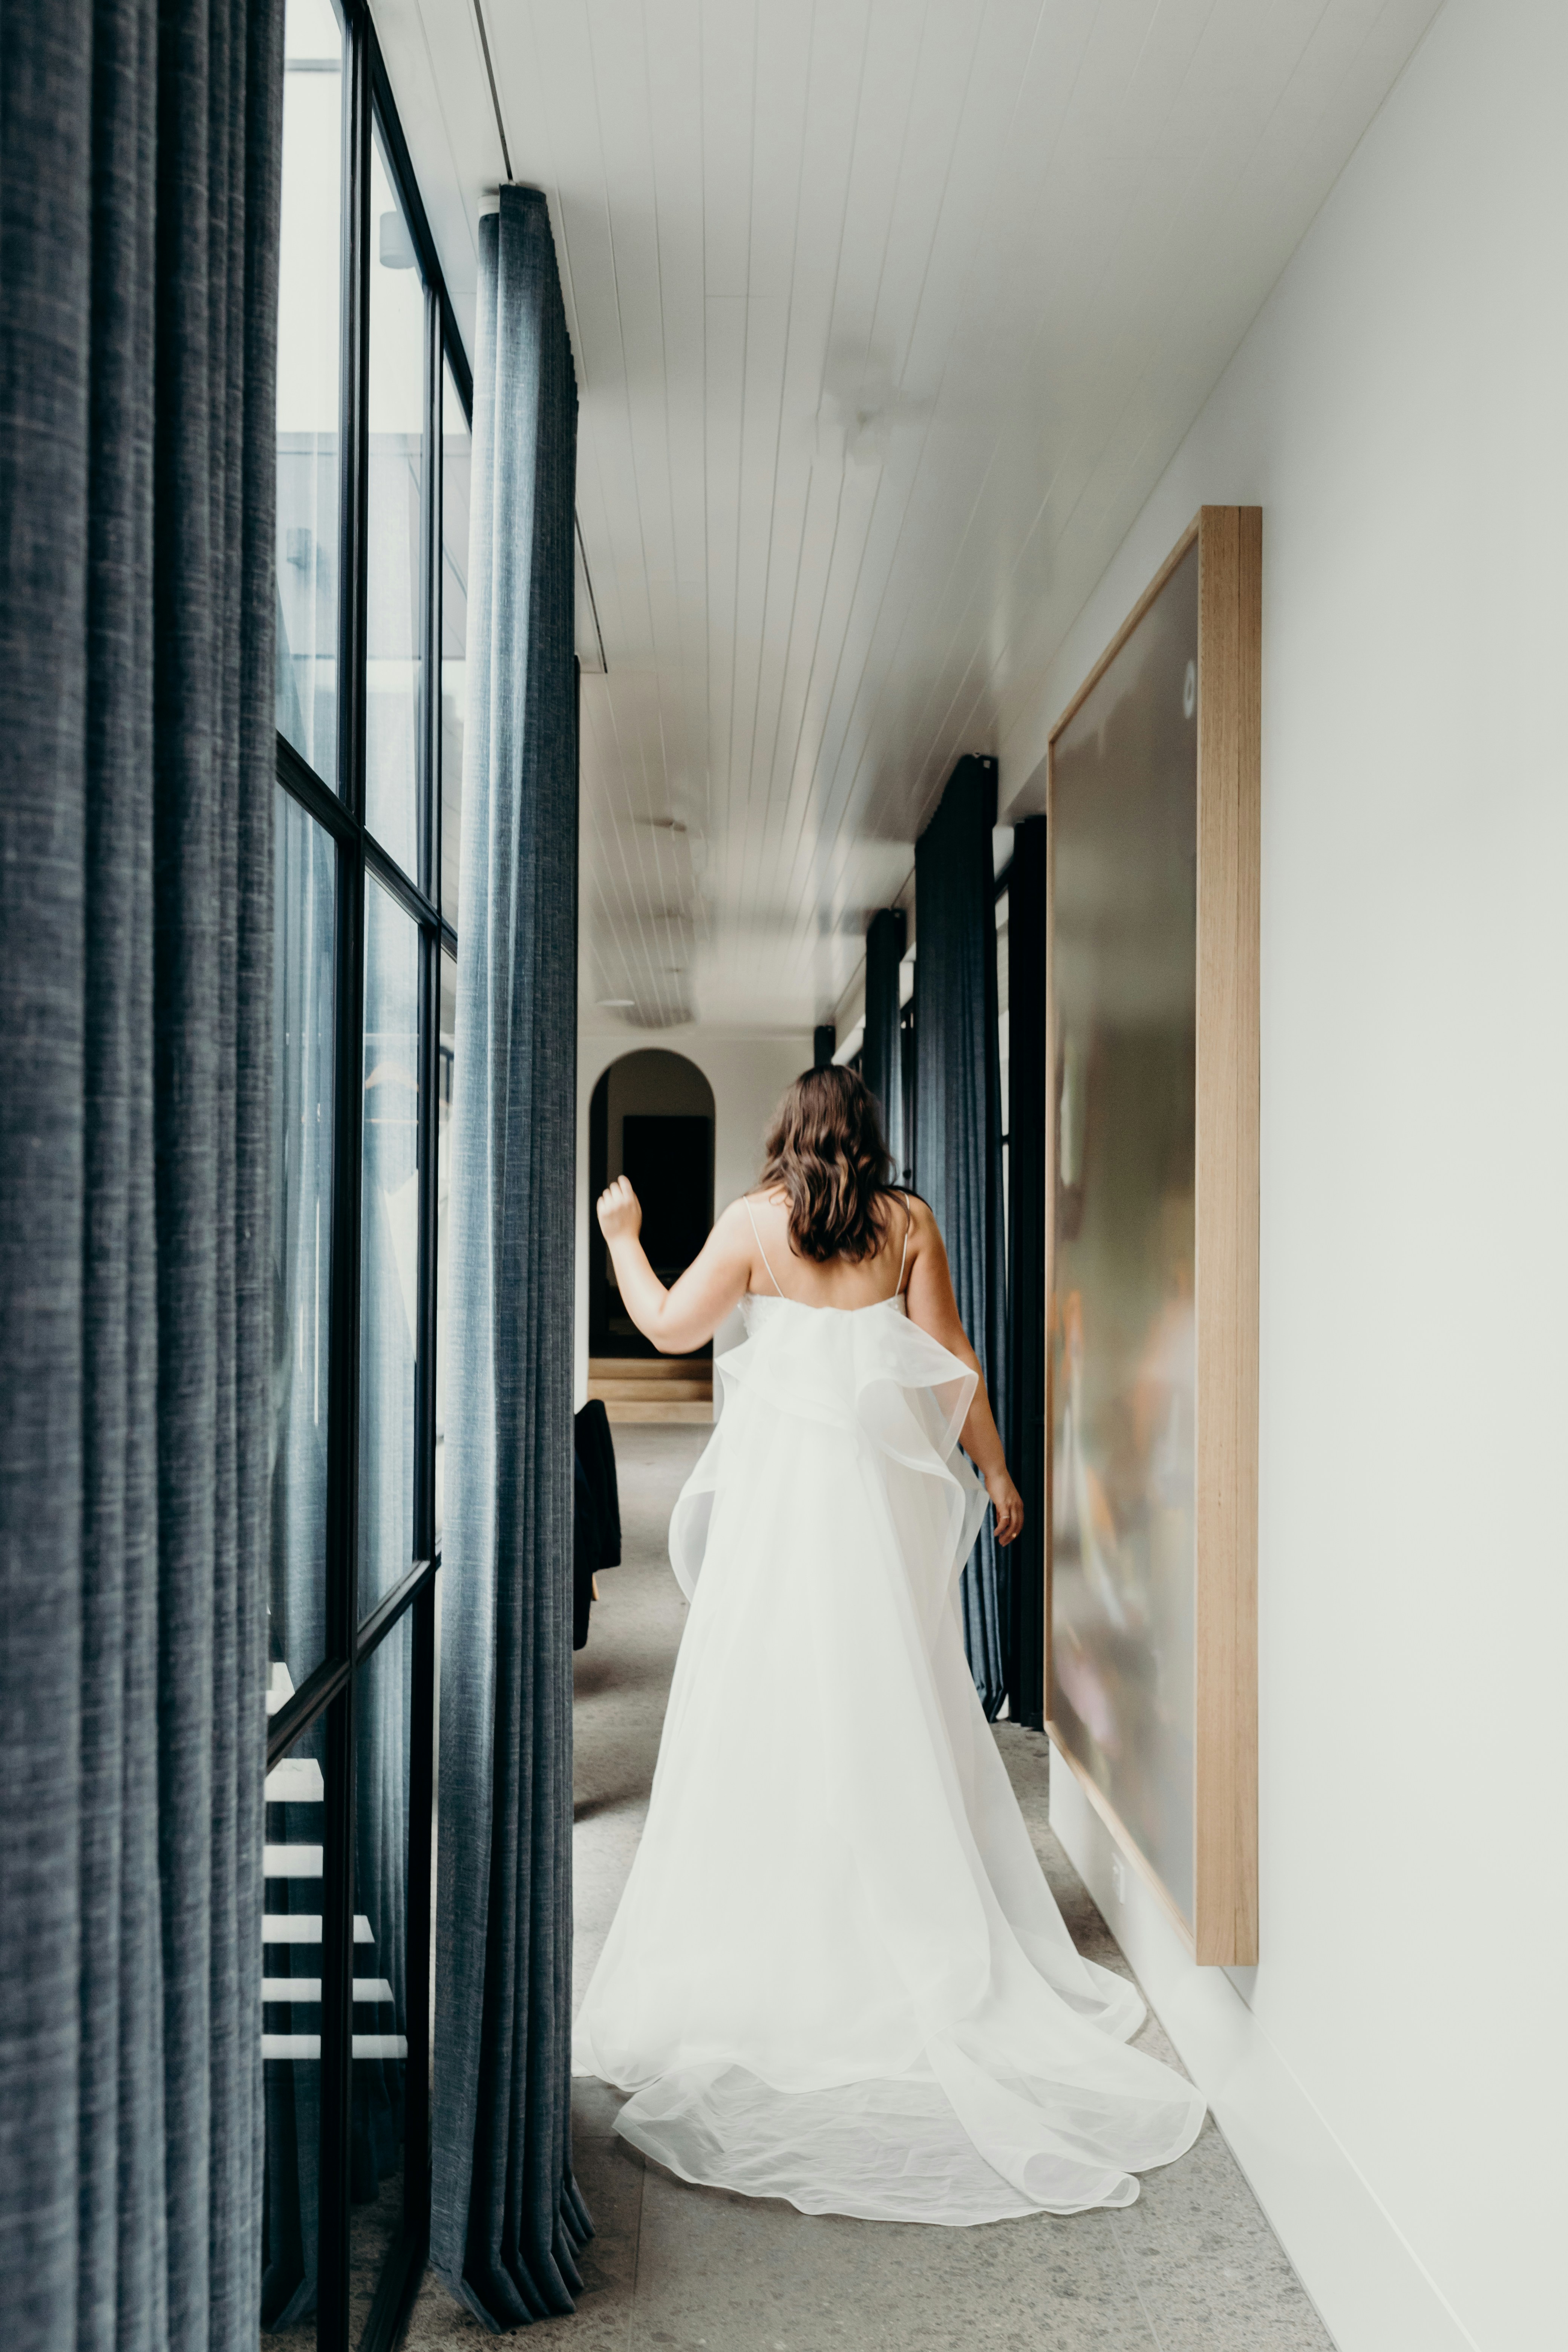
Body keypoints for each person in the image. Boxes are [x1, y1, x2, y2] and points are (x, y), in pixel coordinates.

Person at [573, 1065, 1204, 2223]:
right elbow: (951, 1363)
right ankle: (902, 1918)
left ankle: (785, 1924)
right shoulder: (907, 1220)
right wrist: (999, 1469)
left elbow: (665, 1323)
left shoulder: (755, 1223)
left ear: (787, 1135)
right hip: (869, 1520)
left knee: (769, 1708)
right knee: (891, 1702)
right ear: (866, 1136)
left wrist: (622, 1235)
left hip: (781, 1523)